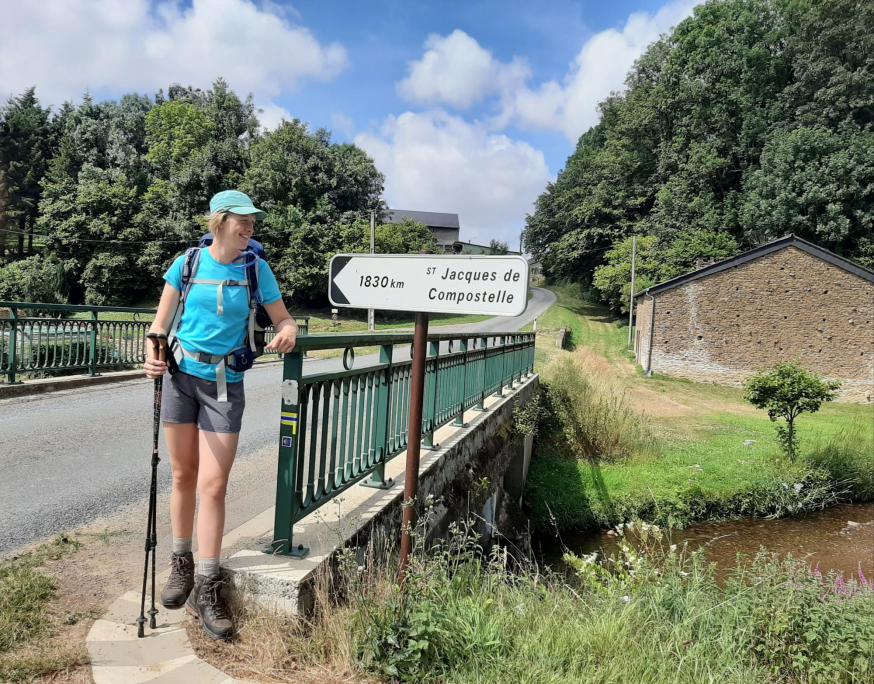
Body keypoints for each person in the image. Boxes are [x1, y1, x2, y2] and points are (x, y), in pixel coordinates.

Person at [144, 190, 298, 640]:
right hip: (179, 377)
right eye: (242, 221)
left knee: (213, 484)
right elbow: (159, 325)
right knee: (183, 475)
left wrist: (287, 330)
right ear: (220, 222)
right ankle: (181, 563)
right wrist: (152, 354)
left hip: (225, 386)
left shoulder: (256, 268)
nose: (250, 228)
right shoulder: (188, 264)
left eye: (253, 221)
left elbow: (283, 318)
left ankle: (209, 585)